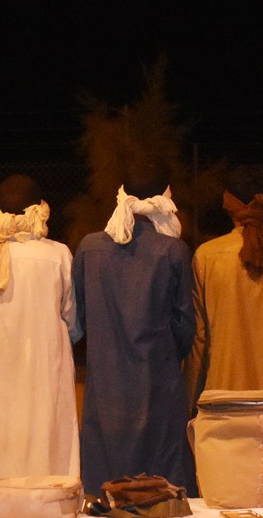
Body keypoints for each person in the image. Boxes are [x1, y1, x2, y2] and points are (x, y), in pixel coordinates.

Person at [72, 158, 196, 493]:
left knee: (105, 484)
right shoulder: (174, 251)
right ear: (166, 200)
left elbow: (79, 315)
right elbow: (185, 325)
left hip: (105, 384)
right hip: (158, 380)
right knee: (161, 489)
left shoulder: (88, 247)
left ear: (121, 195)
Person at [0, 174, 79, 482]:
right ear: (40, 209)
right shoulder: (58, 254)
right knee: (48, 446)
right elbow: (71, 319)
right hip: (45, 370)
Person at [188, 164, 263, 395]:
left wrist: (190, 397)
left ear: (227, 201)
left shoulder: (206, 256)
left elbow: (199, 337)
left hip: (223, 392)